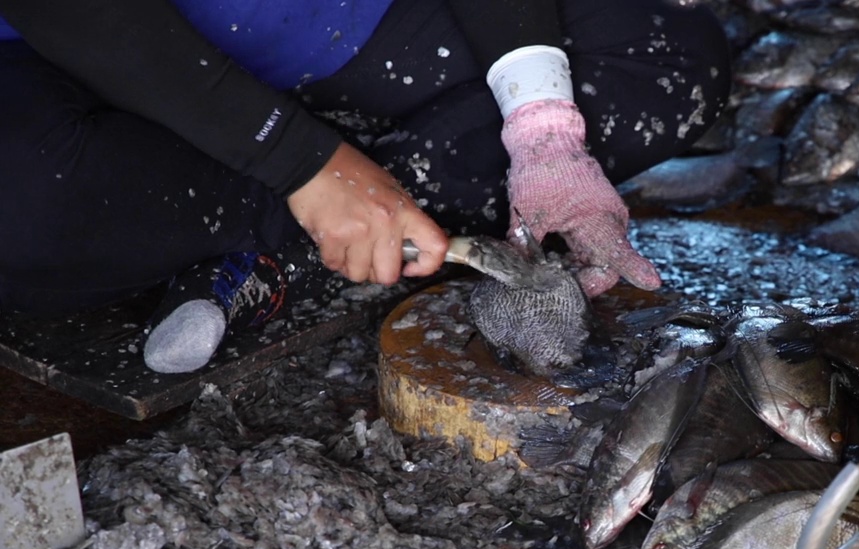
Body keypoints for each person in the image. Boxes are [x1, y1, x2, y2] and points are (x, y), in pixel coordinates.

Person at [0, 0, 731, 373]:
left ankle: (273, 231)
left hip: (352, 28)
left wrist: (543, 130)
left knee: (670, 63)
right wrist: (301, 164)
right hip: (92, 66)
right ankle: (299, 208)